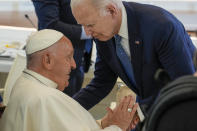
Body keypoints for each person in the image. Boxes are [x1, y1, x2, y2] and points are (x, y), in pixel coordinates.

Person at [70, 0, 196, 114]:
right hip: (149, 107)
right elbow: (102, 82)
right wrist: (64, 108)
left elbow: (182, 85)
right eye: (83, 25)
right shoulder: (103, 34)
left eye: (90, 25)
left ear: (111, 10)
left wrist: (141, 113)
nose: (87, 32)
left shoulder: (161, 26)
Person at [0, 29, 138, 131]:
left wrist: (103, 124)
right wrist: (118, 126)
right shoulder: (45, 99)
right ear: (47, 60)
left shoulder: (24, 84)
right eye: (68, 57)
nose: (74, 65)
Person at [32, 0, 93, 96]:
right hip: (56, 64)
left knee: (72, 105)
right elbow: (50, 25)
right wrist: (85, 32)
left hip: (79, 58)